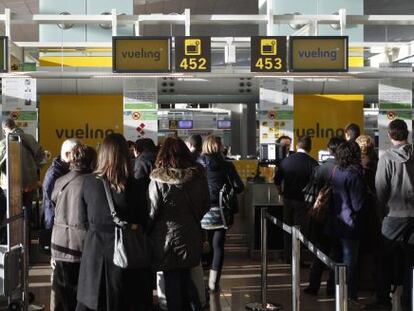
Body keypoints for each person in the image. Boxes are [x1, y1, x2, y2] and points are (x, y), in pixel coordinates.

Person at [76, 133, 151, 311]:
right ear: (126, 155)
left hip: (94, 257)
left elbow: (82, 221)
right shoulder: (136, 186)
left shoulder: (88, 183)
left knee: (93, 302)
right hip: (127, 257)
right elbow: (144, 222)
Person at [148, 136, 210, 311]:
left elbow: (152, 211)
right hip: (191, 234)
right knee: (187, 278)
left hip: (166, 238)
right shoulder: (198, 176)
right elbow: (206, 203)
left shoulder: (158, 180)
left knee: (171, 282)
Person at [366, 119, 414, 311]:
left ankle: (383, 299)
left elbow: (381, 189)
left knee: (382, 257)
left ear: (390, 135)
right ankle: (410, 300)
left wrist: (381, 214)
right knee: (412, 261)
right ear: (407, 134)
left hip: (394, 215)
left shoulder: (386, 157)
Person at [50, 144, 96, 311]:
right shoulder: (92, 182)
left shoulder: (60, 181)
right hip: (82, 245)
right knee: (82, 295)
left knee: (64, 293)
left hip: (60, 244)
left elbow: (53, 203)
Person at [198, 135, 244, 292]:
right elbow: (239, 187)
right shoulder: (227, 165)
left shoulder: (197, 165)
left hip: (200, 210)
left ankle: (198, 281)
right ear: (220, 146)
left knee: (200, 244)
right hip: (221, 211)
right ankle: (213, 283)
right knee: (217, 246)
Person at [326, 141, 366, 308]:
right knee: (350, 263)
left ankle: (337, 292)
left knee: (338, 261)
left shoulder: (335, 171)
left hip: (335, 222)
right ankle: (350, 298)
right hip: (350, 224)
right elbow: (358, 204)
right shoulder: (355, 174)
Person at [304, 136, 345, 296]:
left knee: (320, 251)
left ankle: (314, 285)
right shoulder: (347, 167)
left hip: (322, 215)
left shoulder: (322, 168)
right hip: (341, 216)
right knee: (337, 253)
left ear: (330, 149)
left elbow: (312, 191)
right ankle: (332, 287)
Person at [274, 136, 318, 263]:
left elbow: (276, 180)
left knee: (287, 229)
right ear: (309, 147)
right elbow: (317, 183)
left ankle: (288, 257)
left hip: (288, 200)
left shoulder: (286, 161)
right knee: (301, 231)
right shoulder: (312, 163)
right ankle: (298, 259)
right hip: (303, 202)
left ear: (297, 146)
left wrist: (281, 192)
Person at [0, 118, 45, 224]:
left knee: (12, 215)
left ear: (4, 129)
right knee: (27, 212)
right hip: (29, 184)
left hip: (10, 186)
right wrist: (34, 169)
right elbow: (42, 157)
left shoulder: (3, 143)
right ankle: (27, 236)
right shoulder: (30, 139)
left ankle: (13, 239)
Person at [43, 139, 81, 230]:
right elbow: (51, 203)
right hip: (56, 224)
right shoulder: (54, 174)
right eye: (77, 154)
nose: (80, 157)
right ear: (67, 154)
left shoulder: (66, 170)